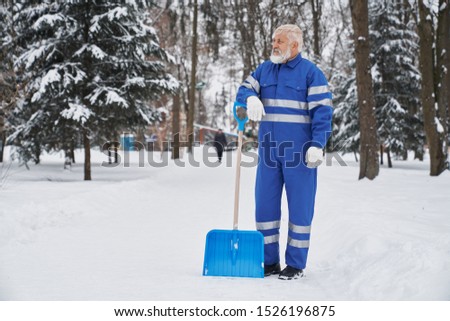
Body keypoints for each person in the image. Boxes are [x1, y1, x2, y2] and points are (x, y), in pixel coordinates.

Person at [236, 24, 333, 280]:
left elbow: (323, 112)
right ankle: (270, 262)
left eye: (280, 41)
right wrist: (250, 99)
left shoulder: (311, 73)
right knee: (265, 208)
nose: (274, 45)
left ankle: (295, 264)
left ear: (294, 46)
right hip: (268, 151)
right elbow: (243, 90)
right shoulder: (264, 69)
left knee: (300, 209)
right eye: (273, 41)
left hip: (299, 153)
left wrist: (317, 144)